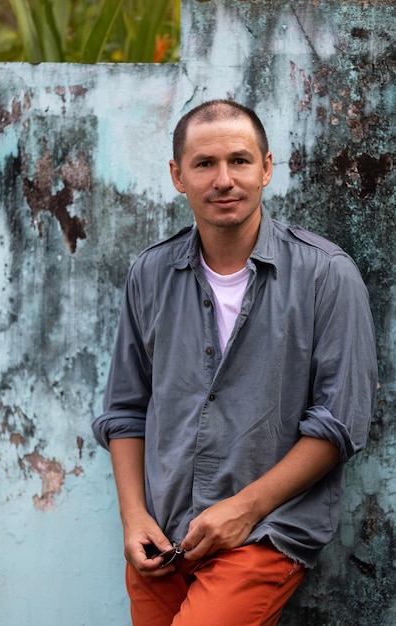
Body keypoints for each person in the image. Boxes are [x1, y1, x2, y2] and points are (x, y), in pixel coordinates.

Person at [92, 99, 377, 626]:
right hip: (163, 538)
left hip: (266, 532)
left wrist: (242, 510)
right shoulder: (150, 274)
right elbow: (127, 410)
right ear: (178, 176)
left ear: (267, 167)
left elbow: (338, 425)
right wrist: (134, 519)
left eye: (240, 161)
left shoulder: (327, 275)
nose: (224, 179)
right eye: (204, 164)